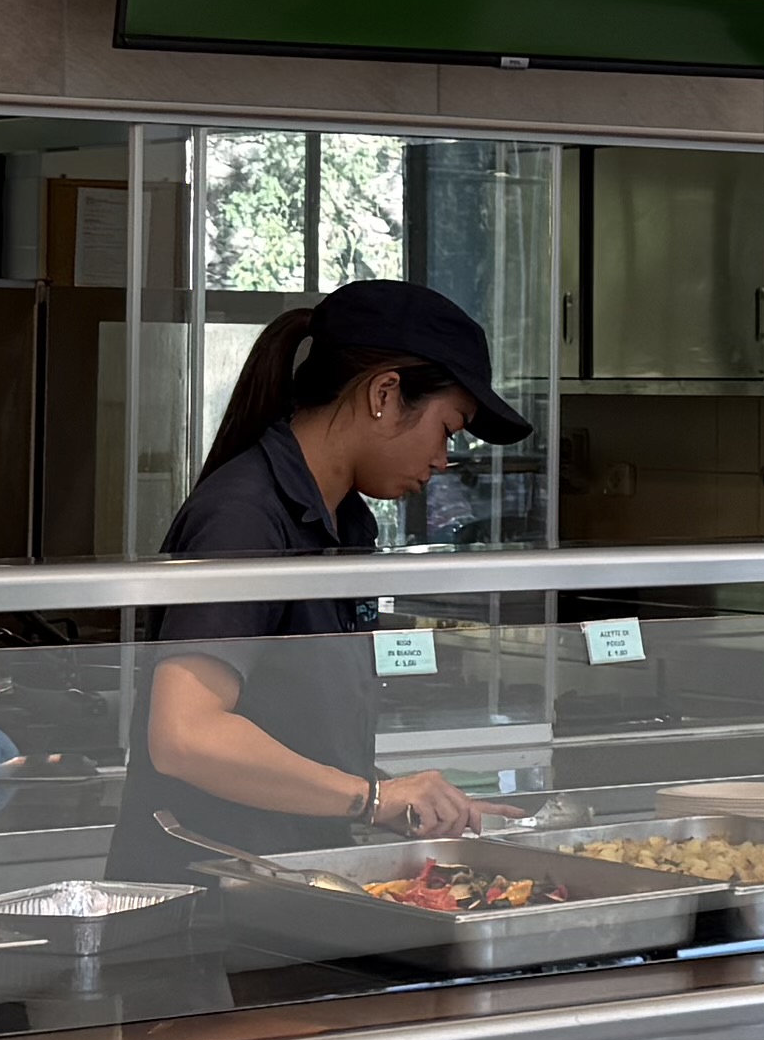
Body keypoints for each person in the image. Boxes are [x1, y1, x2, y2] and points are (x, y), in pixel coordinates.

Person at [118, 279, 536, 876]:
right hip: (205, 893)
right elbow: (186, 736)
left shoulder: (345, 523)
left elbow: (297, 730)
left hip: (282, 882)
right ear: (385, 394)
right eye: (447, 428)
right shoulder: (246, 515)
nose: (444, 460)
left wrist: (405, 800)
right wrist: (374, 798)